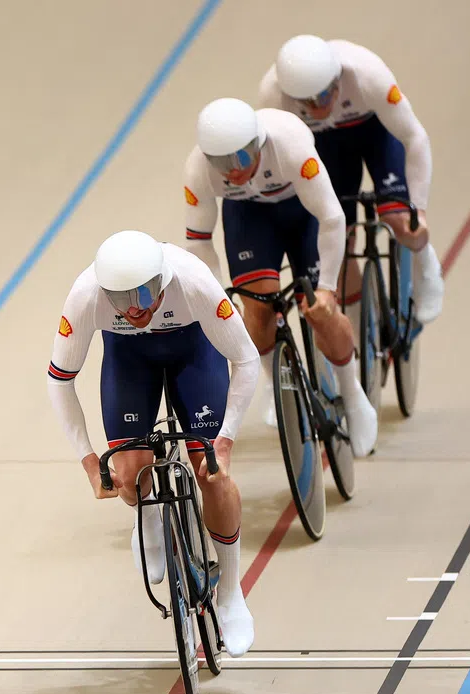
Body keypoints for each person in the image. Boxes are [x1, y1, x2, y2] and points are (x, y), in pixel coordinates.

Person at [46, 229, 260, 657]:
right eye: (121, 300)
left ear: (162, 279)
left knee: (213, 477)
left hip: (194, 353)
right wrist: (90, 463)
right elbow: (59, 381)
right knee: (127, 474)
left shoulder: (194, 280)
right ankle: (147, 519)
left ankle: (232, 592)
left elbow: (247, 358)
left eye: (145, 294)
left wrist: (226, 441)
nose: (135, 309)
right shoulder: (86, 294)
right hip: (130, 361)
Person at [181, 97, 378, 454]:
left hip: (304, 213)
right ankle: (276, 383)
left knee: (320, 310)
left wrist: (328, 290)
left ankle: (353, 394)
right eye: (221, 162)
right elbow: (198, 243)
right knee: (255, 311)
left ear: (258, 144)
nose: (233, 171)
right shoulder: (198, 169)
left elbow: (333, 219)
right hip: (251, 218)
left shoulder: (290, 146)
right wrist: (217, 301)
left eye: (241, 158)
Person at [257, 34, 444, 338]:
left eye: (326, 95)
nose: (320, 106)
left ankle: (426, 265)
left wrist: (418, 210)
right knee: (338, 246)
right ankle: (362, 334)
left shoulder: (367, 74)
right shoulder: (272, 96)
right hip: (327, 148)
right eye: (309, 101)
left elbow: (414, 138)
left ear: (337, 78)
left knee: (400, 220)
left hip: (375, 133)